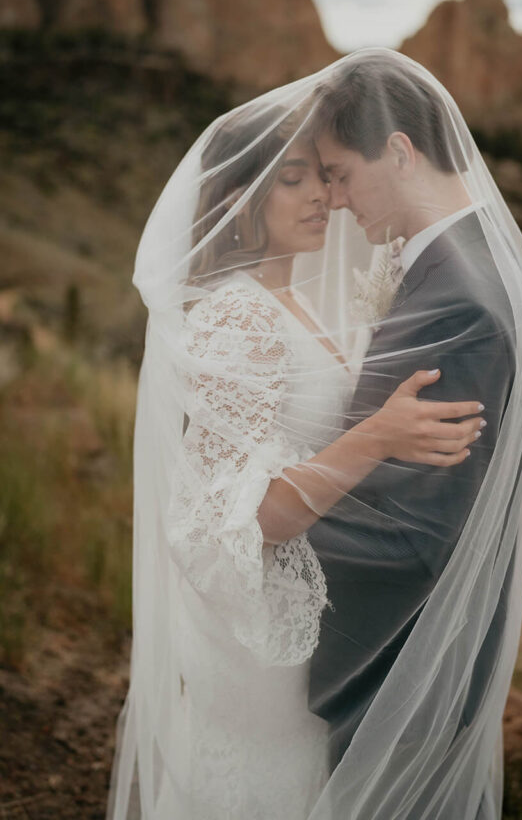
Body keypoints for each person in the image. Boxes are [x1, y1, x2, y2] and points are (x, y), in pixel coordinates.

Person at [106, 85, 486, 820]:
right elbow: (247, 522)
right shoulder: (237, 317)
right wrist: (378, 435)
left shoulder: (301, 303)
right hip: (260, 631)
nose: (322, 196)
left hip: (312, 610)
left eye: (324, 175)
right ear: (239, 197)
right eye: (293, 179)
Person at [304, 53, 522, 819]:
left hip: (398, 671)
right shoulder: (466, 264)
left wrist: (269, 544)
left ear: (401, 152)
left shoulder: (459, 302)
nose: (334, 201)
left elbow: (417, 535)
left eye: (340, 173)